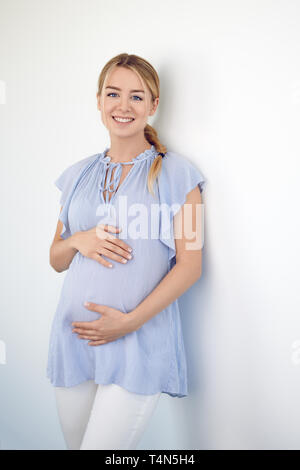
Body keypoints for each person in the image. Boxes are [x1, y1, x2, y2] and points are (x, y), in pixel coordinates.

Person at [47, 53, 206, 450]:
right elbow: (56, 259)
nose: (123, 106)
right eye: (113, 93)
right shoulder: (77, 175)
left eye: (137, 97)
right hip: (74, 340)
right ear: (99, 100)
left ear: (153, 106)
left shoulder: (179, 174)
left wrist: (129, 322)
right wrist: (76, 239)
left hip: (139, 342)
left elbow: (190, 266)